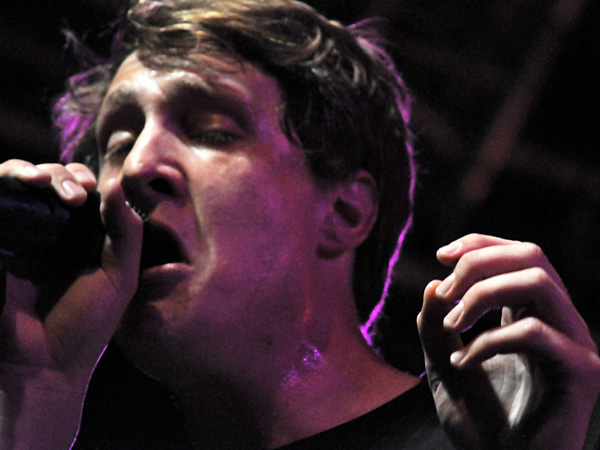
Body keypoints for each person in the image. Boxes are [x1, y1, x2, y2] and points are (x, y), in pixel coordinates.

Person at [0, 0, 599, 448]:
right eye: (117, 144)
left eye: (210, 131)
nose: (135, 168)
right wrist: (32, 396)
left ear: (344, 212)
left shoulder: (540, 427)